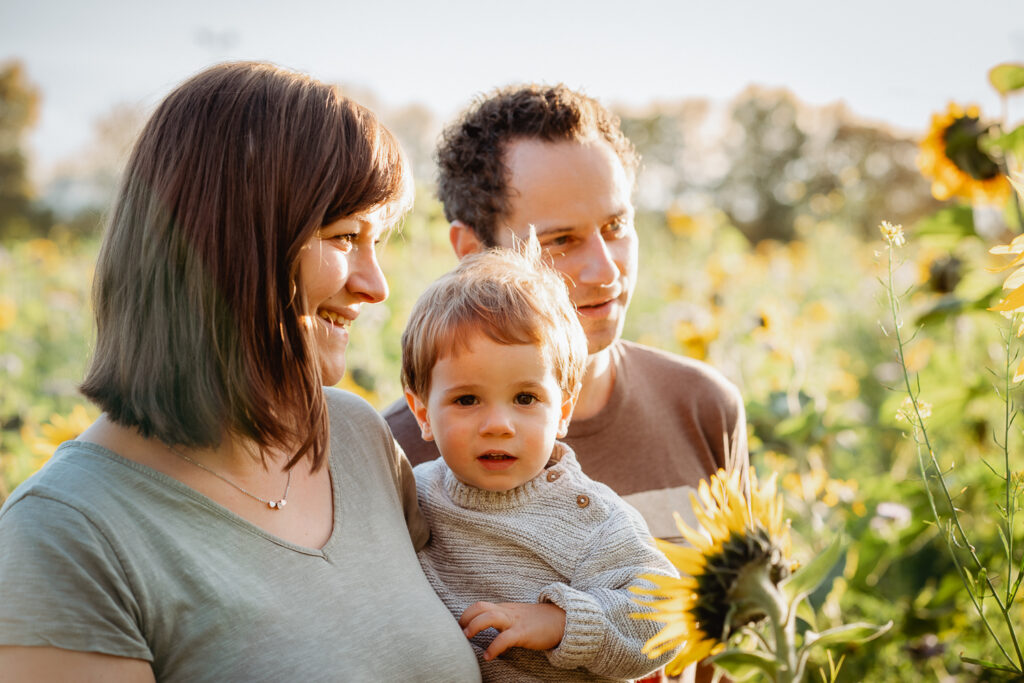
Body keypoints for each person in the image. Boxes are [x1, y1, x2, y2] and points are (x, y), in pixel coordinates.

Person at [0, 62, 480, 682]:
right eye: (344, 237)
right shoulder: (67, 535)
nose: (376, 286)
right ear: (230, 245)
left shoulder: (356, 437)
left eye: (378, 241)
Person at [381, 83, 748, 683]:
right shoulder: (393, 458)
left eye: (617, 225)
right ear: (472, 250)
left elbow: (728, 648)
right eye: (560, 241)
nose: (605, 271)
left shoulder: (705, 408)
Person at [401, 243, 679, 681]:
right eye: (467, 399)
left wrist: (560, 623)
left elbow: (665, 618)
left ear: (563, 411)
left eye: (525, 398)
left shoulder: (591, 520)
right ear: (422, 413)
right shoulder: (411, 495)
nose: (498, 425)